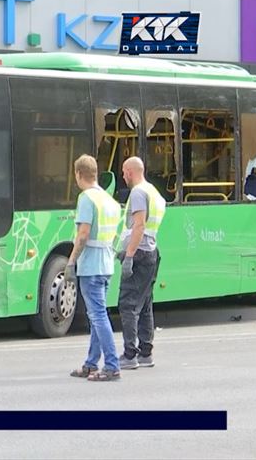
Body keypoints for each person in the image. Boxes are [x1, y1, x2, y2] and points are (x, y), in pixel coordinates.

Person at [66, 154, 122, 382]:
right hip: (106, 264)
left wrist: (71, 262)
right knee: (98, 315)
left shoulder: (86, 198)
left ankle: (111, 365)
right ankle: (91, 363)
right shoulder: (109, 200)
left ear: (78, 174)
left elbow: (83, 235)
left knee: (98, 316)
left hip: (91, 265)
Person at [116, 157, 166, 369]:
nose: (123, 176)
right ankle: (146, 352)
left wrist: (129, 255)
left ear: (130, 171)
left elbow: (138, 226)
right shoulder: (153, 192)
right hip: (151, 252)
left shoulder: (137, 193)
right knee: (145, 304)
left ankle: (130, 355)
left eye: (124, 172)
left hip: (139, 255)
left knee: (127, 304)